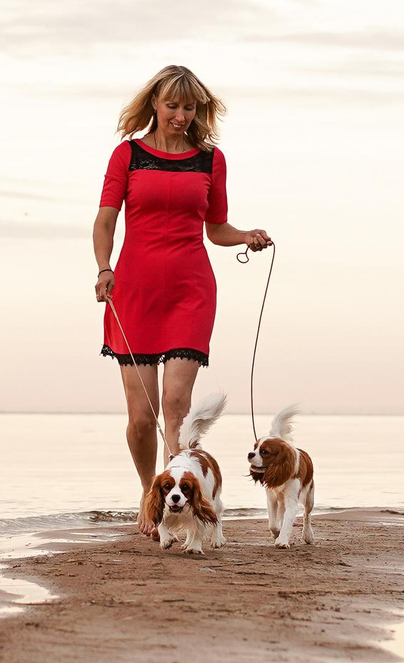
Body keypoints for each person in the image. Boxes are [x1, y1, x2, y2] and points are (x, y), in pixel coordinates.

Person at [92, 65, 270, 537]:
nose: (180, 115)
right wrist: (104, 267)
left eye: (189, 107)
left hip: (191, 290)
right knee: (139, 417)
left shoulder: (211, 160)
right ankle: (150, 492)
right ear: (155, 103)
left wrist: (245, 237)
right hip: (134, 290)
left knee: (176, 404)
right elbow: (106, 219)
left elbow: (217, 229)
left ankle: (176, 510)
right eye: (172, 105)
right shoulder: (127, 155)